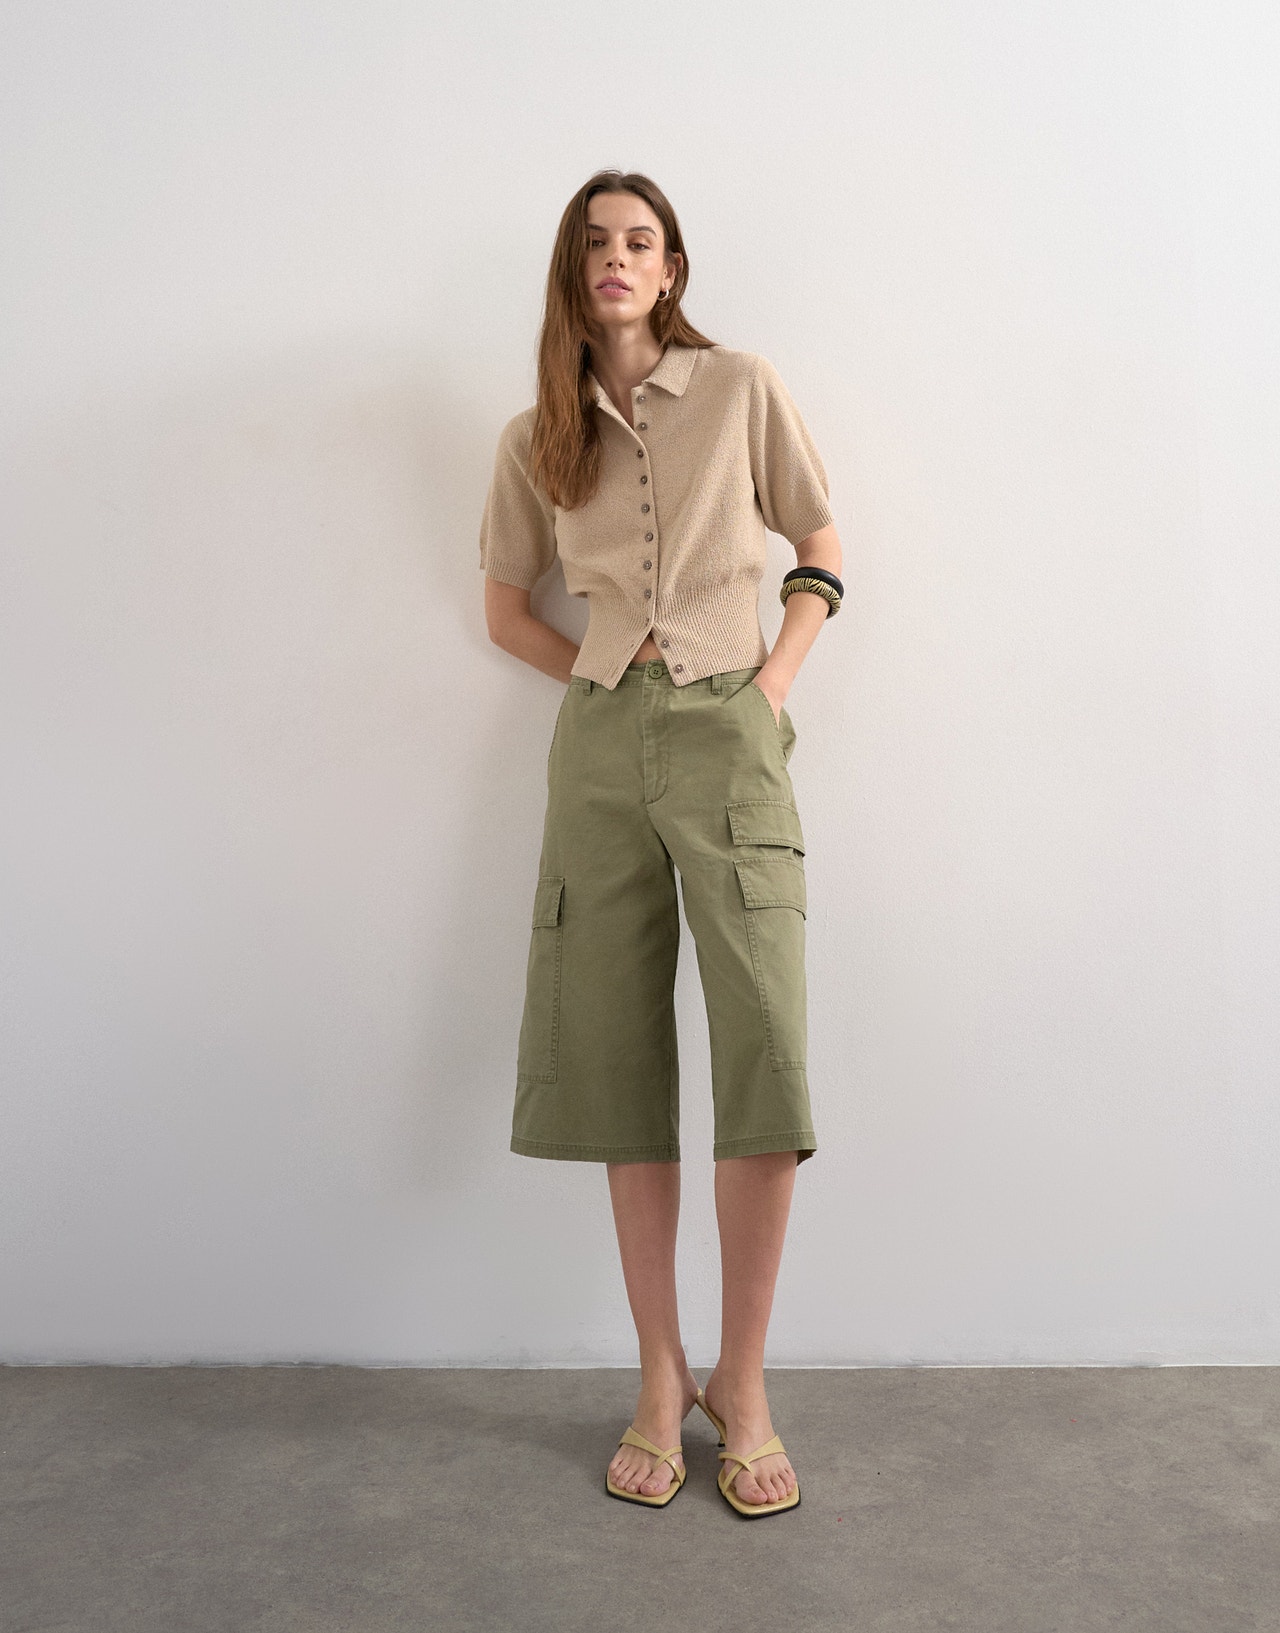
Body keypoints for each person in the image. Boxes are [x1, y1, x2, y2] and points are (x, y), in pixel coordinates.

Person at [478, 169, 844, 1517]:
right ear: (572, 270)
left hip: (728, 728)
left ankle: (742, 1384)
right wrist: (601, 674)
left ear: (672, 267)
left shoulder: (742, 388)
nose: (618, 260)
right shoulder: (536, 433)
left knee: (764, 1046)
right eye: (597, 243)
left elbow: (821, 542)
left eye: (641, 241)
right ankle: (657, 1373)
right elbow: (505, 609)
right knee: (618, 1055)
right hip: (597, 750)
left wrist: (770, 684)